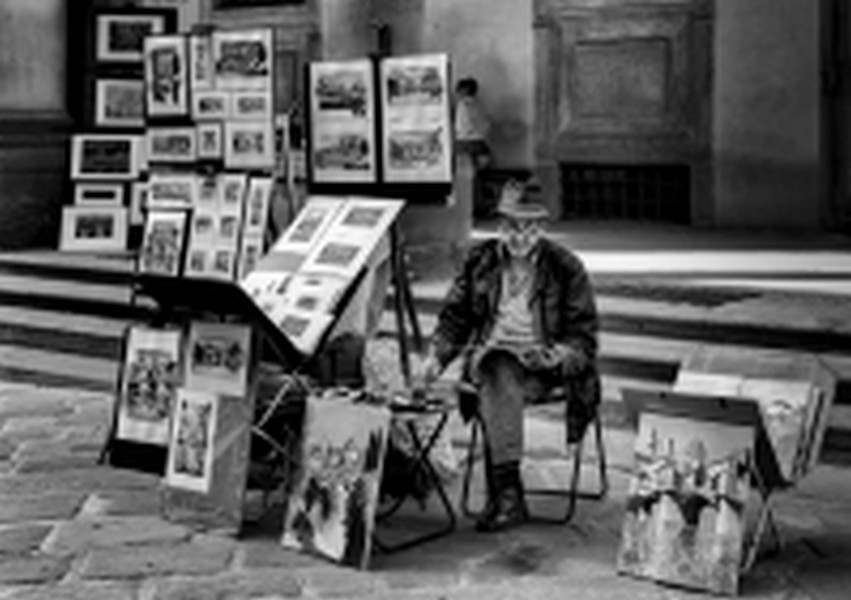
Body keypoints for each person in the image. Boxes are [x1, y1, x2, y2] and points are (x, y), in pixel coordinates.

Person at [416, 180, 600, 532]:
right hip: (494, 364)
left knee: (493, 377)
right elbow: (455, 318)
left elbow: (584, 340)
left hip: (544, 370)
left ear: (542, 229)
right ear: (500, 226)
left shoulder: (566, 267)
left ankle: (506, 496)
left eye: (530, 229)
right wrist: (436, 358)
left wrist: (553, 356)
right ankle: (508, 496)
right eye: (513, 227)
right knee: (495, 367)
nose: (520, 237)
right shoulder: (481, 261)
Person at [454, 77, 491, 170]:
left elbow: (462, 124)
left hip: (465, 141)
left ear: (464, 91)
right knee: (479, 167)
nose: (456, 92)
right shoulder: (480, 103)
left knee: (465, 169)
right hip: (479, 140)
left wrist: (462, 133)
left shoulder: (462, 104)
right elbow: (486, 123)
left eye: (458, 90)